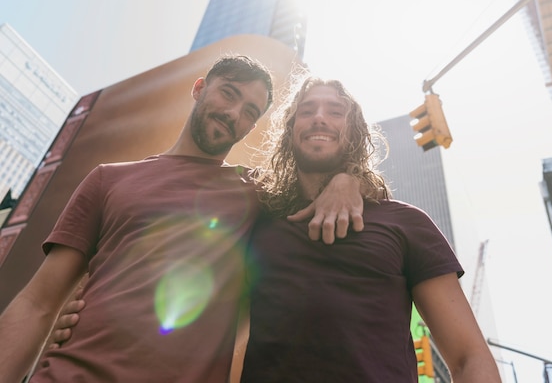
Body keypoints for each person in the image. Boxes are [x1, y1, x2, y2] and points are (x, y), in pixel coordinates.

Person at [0, 56, 364, 383]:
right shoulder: (108, 178)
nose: (234, 114)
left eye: (250, 111)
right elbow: (38, 303)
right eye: (228, 94)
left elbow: (319, 174)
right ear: (199, 88)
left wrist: (348, 180)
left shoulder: (259, 194)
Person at [238, 76, 502, 382]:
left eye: (335, 111)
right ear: (290, 128)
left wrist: (350, 179)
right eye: (307, 110)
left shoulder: (406, 223)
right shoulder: (256, 215)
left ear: (355, 132)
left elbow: (468, 357)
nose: (319, 117)